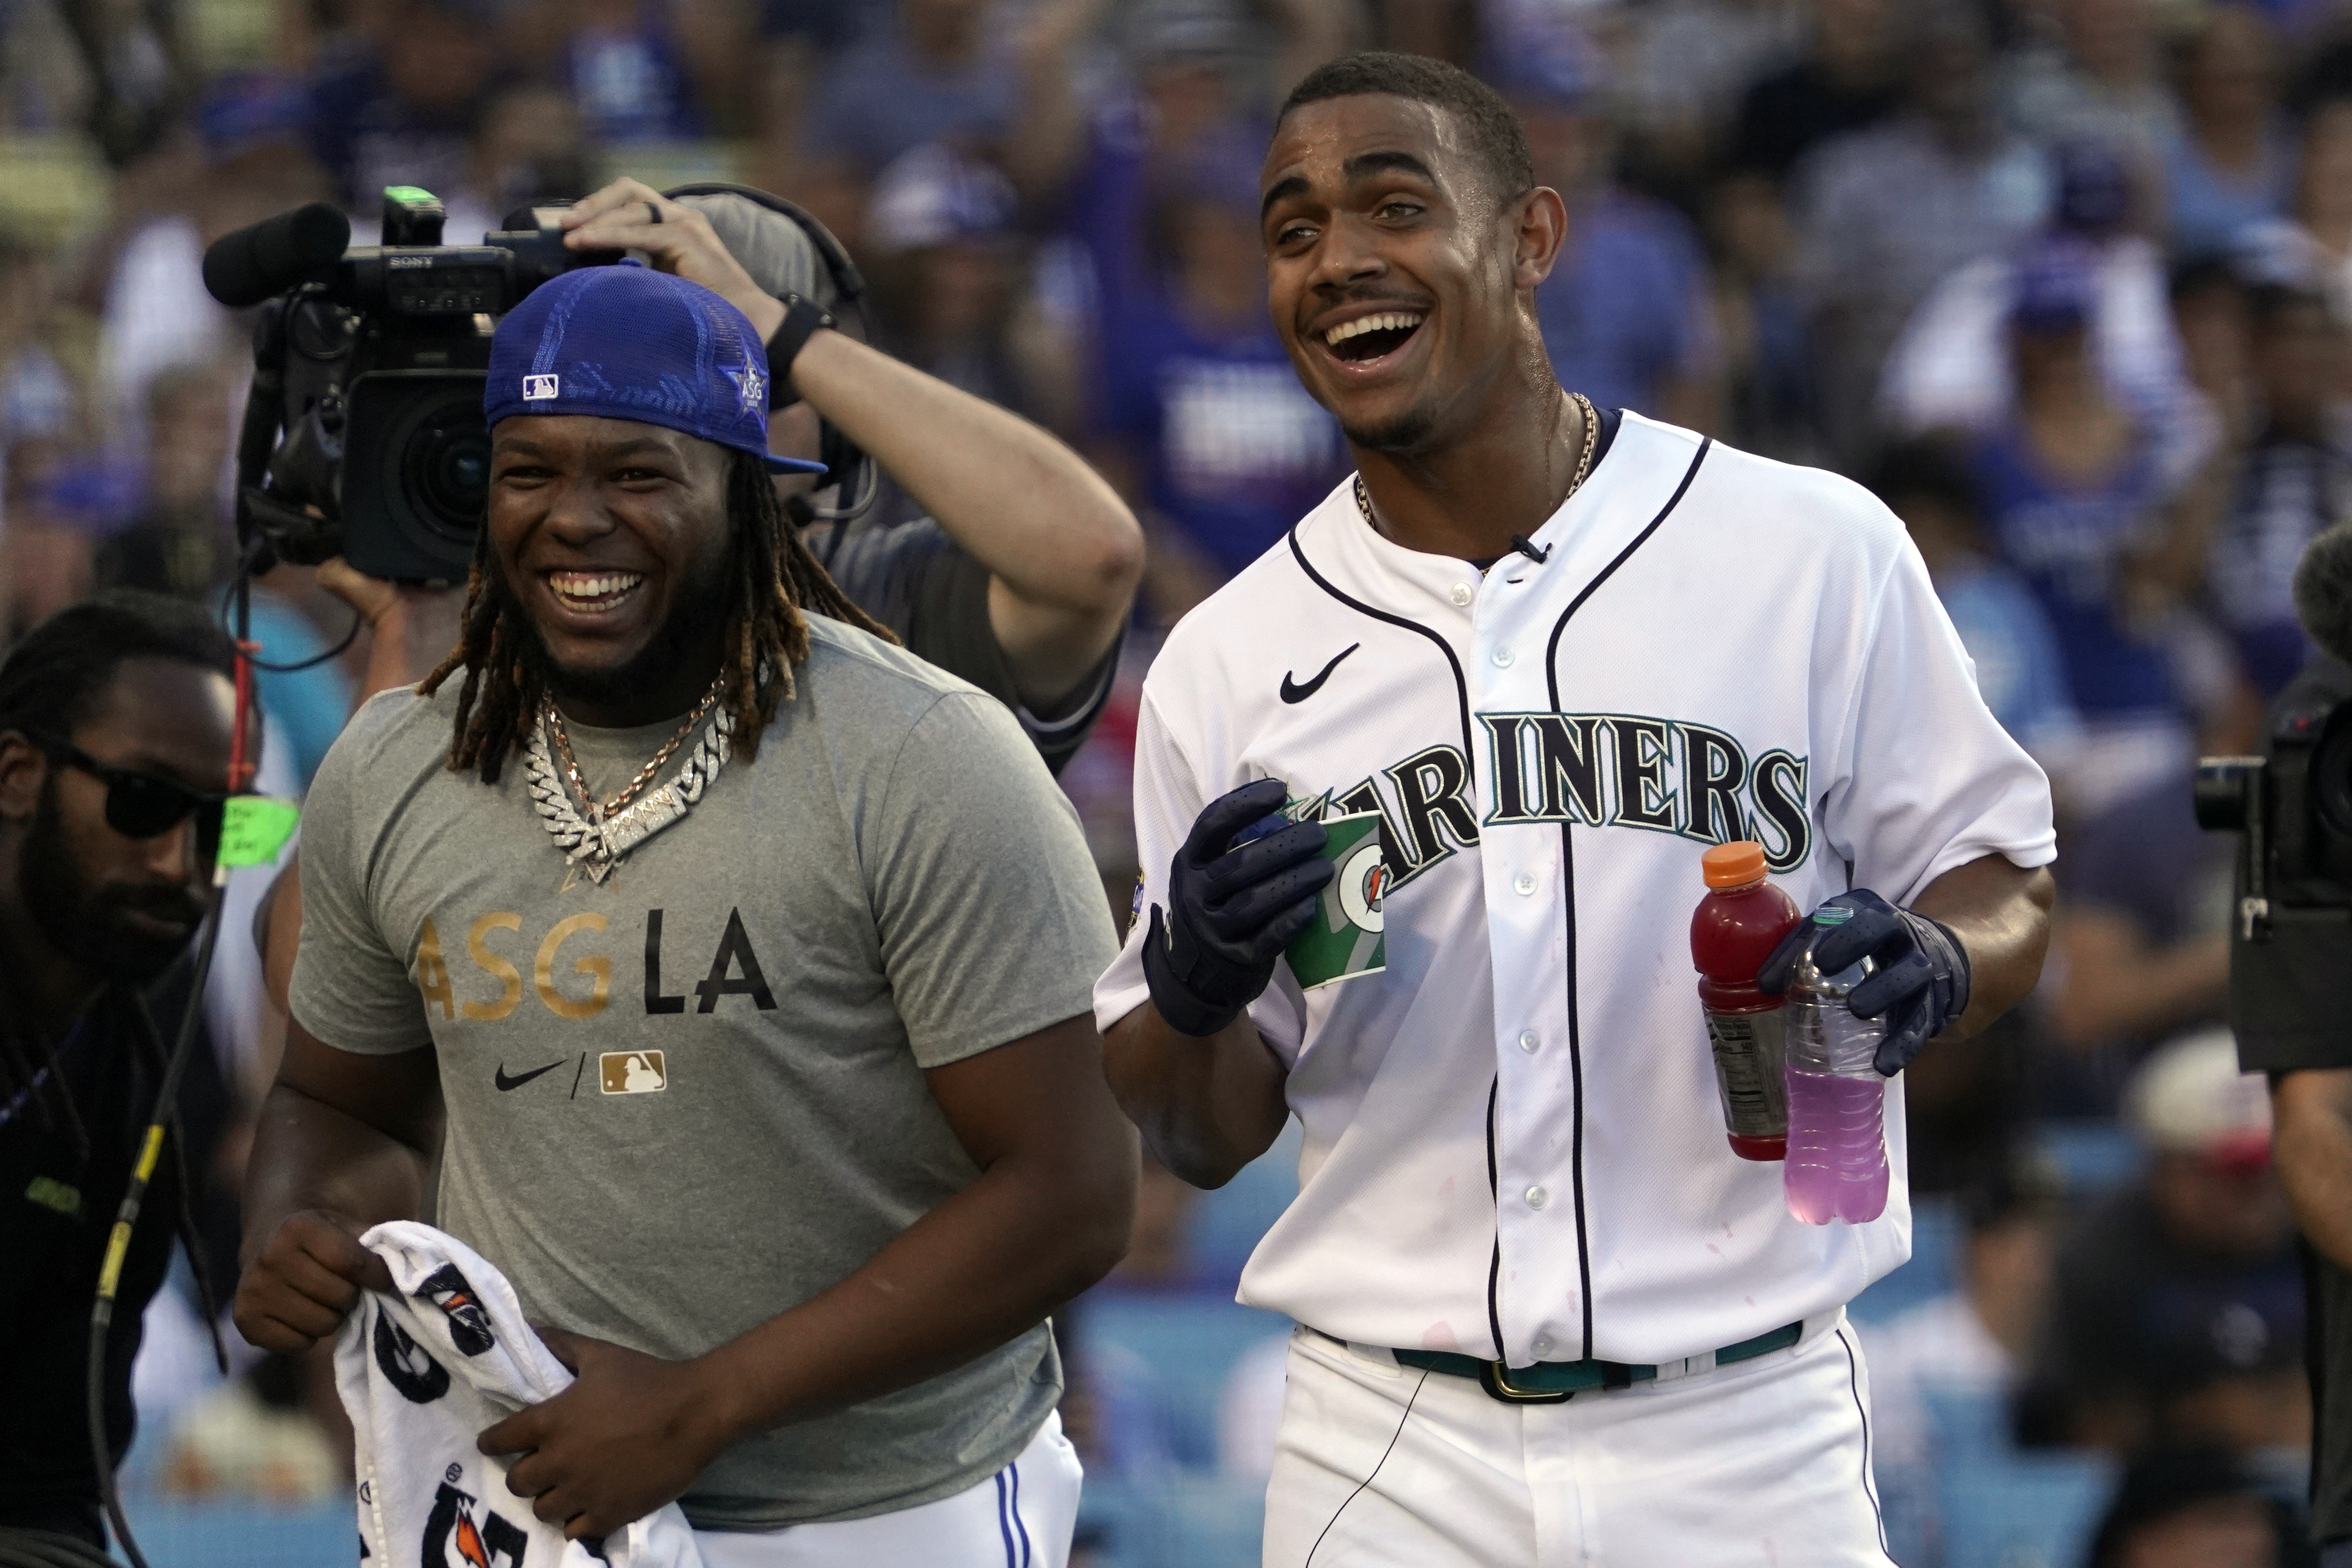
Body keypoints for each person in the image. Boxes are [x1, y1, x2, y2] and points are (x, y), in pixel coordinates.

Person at [1096, 51, 2055, 1563]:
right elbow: (1198, 1128)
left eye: (1394, 206)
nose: (1338, 257)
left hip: (1748, 1424)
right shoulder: (1230, 655)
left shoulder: (1809, 546)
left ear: (1533, 236)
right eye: (1292, 229)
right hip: (1384, 1443)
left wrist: (1942, 958)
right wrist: (1193, 987)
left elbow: (2005, 875)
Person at [230, 261, 1137, 1562]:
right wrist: (302, 1218)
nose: (575, 517)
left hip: (882, 1511)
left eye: (638, 473)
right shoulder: (396, 761)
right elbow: (338, 1102)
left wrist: (702, 1405)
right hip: (526, 1504)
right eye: (529, 470)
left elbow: (1076, 1190)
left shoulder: (921, 752)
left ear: (747, 494)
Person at [0, 592, 248, 1548]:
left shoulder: (133, 1084)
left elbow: (45, 1493)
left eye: (221, 828)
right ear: (17, 774)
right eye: (143, 800)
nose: (176, 862)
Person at [2022, 1030, 2306, 1456]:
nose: (2262, 1191)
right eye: (2238, 1172)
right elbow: (2087, 1424)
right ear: (2170, 1170)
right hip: (2161, 1488)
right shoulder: (2104, 1256)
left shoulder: (2324, 1231)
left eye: (2273, 1165)